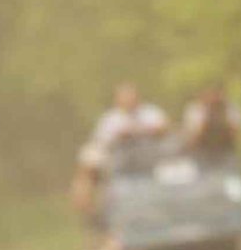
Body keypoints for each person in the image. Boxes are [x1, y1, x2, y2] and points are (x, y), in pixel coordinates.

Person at [72, 83, 170, 216]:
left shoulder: (151, 112)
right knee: (88, 163)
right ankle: (88, 207)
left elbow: (164, 129)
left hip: (151, 157)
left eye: (131, 97)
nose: (129, 101)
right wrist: (119, 137)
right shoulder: (110, 119)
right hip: (117, 160)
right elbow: (100, 143)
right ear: (117, 100)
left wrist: (141, 132)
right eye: (124, 98)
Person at [181, 82, 241, 155]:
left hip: (226, 153)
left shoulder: (231, 109)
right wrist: (207, 118)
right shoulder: (194, 109)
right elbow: (192, 141)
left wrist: (222, 116)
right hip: (200, 154)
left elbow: (236, 136)